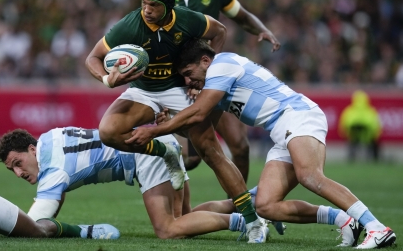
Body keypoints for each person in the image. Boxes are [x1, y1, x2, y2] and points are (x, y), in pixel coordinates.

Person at [126, 39, 397, 249]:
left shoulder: (222, 65)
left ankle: (377, 228)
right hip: (282, 130)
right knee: (266, 206)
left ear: (205, 60)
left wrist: (155, 131)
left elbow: (197, 113)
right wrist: (169, 119)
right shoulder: (216, 85)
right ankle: (345, 220)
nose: (188, 81)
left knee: (310, 176)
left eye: (188, 72)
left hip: (297, 115)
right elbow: (201, 129)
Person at [85, 0, 267, 243]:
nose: (147, 9)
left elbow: (220, 31)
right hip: (142, 90)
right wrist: (106, 79)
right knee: (108, 132)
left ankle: (252, 221)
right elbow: (93, 57)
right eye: (144, 2)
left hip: (178, 90)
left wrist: (207, 78)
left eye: (154, 5)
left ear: (170, 5)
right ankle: (166, 150)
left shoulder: (187, 19)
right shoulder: (129, 26)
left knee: (211, 152)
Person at [0, 128, 276, 240]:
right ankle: (254, 202)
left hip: (145, 157)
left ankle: (248, 223)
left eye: (17, 163)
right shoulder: (49, 137)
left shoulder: (54, 171)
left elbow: (29, 226)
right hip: (159, 145)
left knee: (168, 230)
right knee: (187, 218)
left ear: (32, 150)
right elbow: (56, 197)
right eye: (12, 171)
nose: (18, 173)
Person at [165, 0, 281, 179]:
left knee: (240, 146)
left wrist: (262, 30)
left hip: (213, 82)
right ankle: (154, 171)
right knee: (192, 157)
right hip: (181, 83)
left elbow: (242, 16)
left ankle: (239, 206)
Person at [338, 90, 382, 162]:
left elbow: (343, 126)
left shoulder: (349, 111)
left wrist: (346, 135)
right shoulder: (371, 111)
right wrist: (374, 136)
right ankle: (375, 159)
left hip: (354, 138)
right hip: (368, 138)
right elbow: (377, 127)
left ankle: (351, 158)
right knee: (374, 144)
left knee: (352, 143)